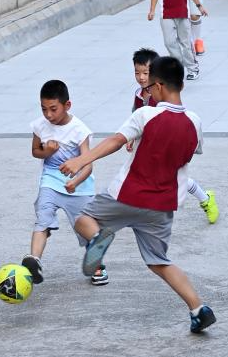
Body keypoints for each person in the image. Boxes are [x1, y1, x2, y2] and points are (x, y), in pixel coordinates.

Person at [60, 55, 217, 335]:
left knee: (83, 218)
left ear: (157, 87)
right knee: (159, 262)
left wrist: (81, 161)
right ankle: (198, 309)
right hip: (162, 205)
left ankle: (98, 238)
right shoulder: (194, 121)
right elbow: (190, 153)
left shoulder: (146, 114)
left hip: (127, 194)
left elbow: (115, 141)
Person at [21, 79, 107, 286]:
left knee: (84, 228)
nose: (48, 115)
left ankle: (97, 266)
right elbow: (35, 151)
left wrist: (76, 181)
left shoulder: (79, 130)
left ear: (67, 105)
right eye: (44, 109)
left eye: (53, 109)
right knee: (43, 217)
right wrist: (47, 151)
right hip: (51, 180)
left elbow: (88, 164)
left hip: (78, 187)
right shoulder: (40, 125)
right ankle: (34, 261)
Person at [131, 48, 219, 223]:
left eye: (146, 73)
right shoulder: (138, 94)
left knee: (175, 177)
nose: (141, 77)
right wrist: (132, 137)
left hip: (165, 143)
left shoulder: (161, 96)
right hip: (149, 143)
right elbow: (136, 116)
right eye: (137, 72)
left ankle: (206, 199)